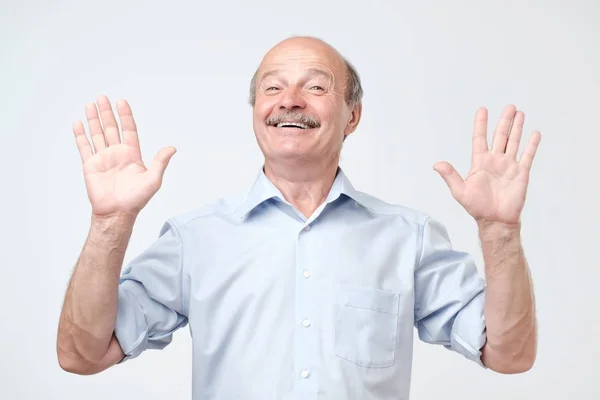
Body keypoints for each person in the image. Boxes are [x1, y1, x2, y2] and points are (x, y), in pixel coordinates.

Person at [56, 36, 540, 399]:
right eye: (273, 87)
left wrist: (499, 232)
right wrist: (110, 222)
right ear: (256, 113)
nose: (290, 100)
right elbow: (83, 355)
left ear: (352, 117)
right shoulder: (195, 239)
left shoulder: (407, 237)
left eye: (315, 86)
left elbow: (510, 354)